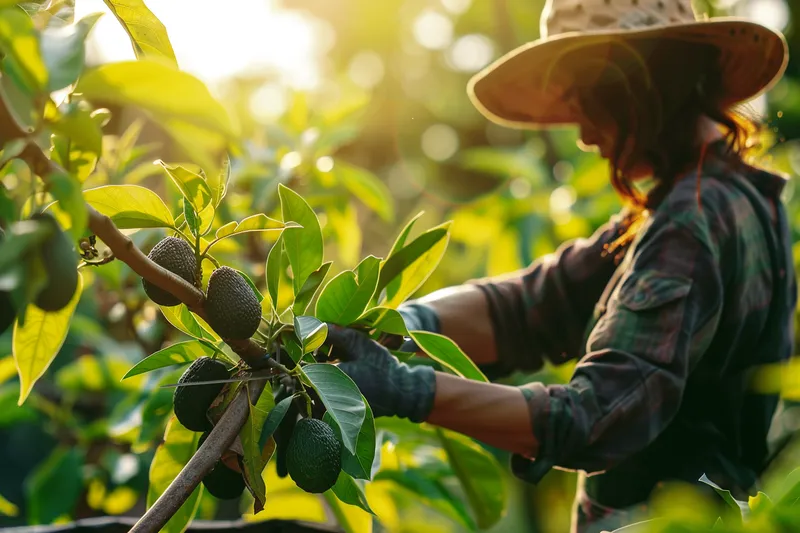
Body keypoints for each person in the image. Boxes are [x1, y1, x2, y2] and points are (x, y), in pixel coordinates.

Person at [322, 0, 796, 531]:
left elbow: (597, 416)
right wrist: (404, 325)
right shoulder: (731, 197)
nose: (585, 136)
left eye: (588, 101)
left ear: (644, 80)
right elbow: (537, 302)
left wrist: (407, 390)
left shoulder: (692, 220)